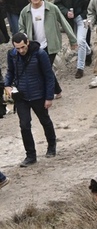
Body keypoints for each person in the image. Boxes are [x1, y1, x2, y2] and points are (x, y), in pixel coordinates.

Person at [5, 33, 56, 166]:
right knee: (24, 126)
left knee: (45, 121)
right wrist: (7, 85)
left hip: (38, 94)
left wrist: (49, 97)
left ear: (27, 42)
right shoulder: (12, 55)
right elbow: (10, 71)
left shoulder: (40, 54)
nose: (21, 50)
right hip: (21, 96)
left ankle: (51, 146)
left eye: (22, 47)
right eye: (18, 48)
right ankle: (30, 155)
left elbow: (49, 76)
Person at [19, 0, 78, 69]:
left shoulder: (52, 8)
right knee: (44, 71)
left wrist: (73, 40)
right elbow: (21, 28)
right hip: (34, 46)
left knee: (45, 69)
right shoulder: (25, 11)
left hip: (50, 45)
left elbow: (64, 23)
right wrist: (23, 43)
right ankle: (53, 83)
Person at [55, 0, 96, 79]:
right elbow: (57, 3)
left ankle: (80, 68)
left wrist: (92, 17)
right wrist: (66, 11)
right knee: (79, 42)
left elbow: (94, 2)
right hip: (70, 19)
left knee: (81, 40)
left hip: (85, 17)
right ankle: (88, 51)